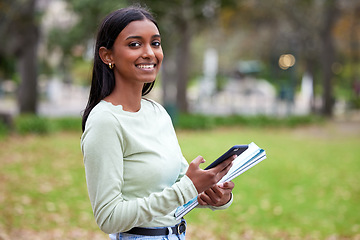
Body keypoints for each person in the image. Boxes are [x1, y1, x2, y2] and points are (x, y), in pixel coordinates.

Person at [81, 6, 235, 240]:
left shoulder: (158, 113)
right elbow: (108, 218)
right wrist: (187, 188)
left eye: (155, 43)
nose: (149, 53)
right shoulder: (105, 121)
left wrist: (215, 194)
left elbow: (179, 185)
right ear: (107, 55)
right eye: (134, 44)